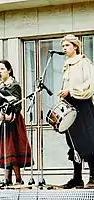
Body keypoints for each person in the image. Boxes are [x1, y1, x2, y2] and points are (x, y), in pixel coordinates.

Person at [0, 60, 32, 185]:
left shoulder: (14, 85)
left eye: (2, 69)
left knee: (12, 149)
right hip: (2, 121)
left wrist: (9, 114)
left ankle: (18, 178)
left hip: (13, 121)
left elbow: (18, 105)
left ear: (9, 70)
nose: (0, 72)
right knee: (5, 149)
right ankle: (7, 179)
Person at [58, 34, 94, 189]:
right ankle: (77, 178)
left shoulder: (84, 62)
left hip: (83, 105)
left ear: (75, 47)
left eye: (67, 45)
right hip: (71, 107)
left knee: (88, 140)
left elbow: (90, 84)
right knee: (73, 142)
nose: (64, 49)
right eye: (63, 46)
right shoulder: (68, 65)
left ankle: (93, 177)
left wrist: (71, 91)